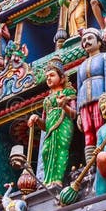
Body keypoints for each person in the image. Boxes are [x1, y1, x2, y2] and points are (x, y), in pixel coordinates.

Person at [27, 59, 77, 187]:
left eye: (52, 75)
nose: (48, 78)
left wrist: (64, 105)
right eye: (47, 76)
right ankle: (47, 181)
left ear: (62, 78)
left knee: (61, 148)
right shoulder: (47, 100)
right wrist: (37, 119)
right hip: (50, 128)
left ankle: (58, 179)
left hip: (63, 124)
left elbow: (74, 114)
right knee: (46, 151)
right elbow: (44, 125)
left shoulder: (68, 93)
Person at [76, 29, 106, 163]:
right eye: (84, 40)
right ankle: (91, 163)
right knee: (87, 130)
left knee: (100, 126)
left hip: (100, 97)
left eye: (90, 38)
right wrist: (78, 113)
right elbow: (79, 87)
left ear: (99, 42)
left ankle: (104, 157)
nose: (86, 42)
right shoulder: (81, 66)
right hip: (83, 101)